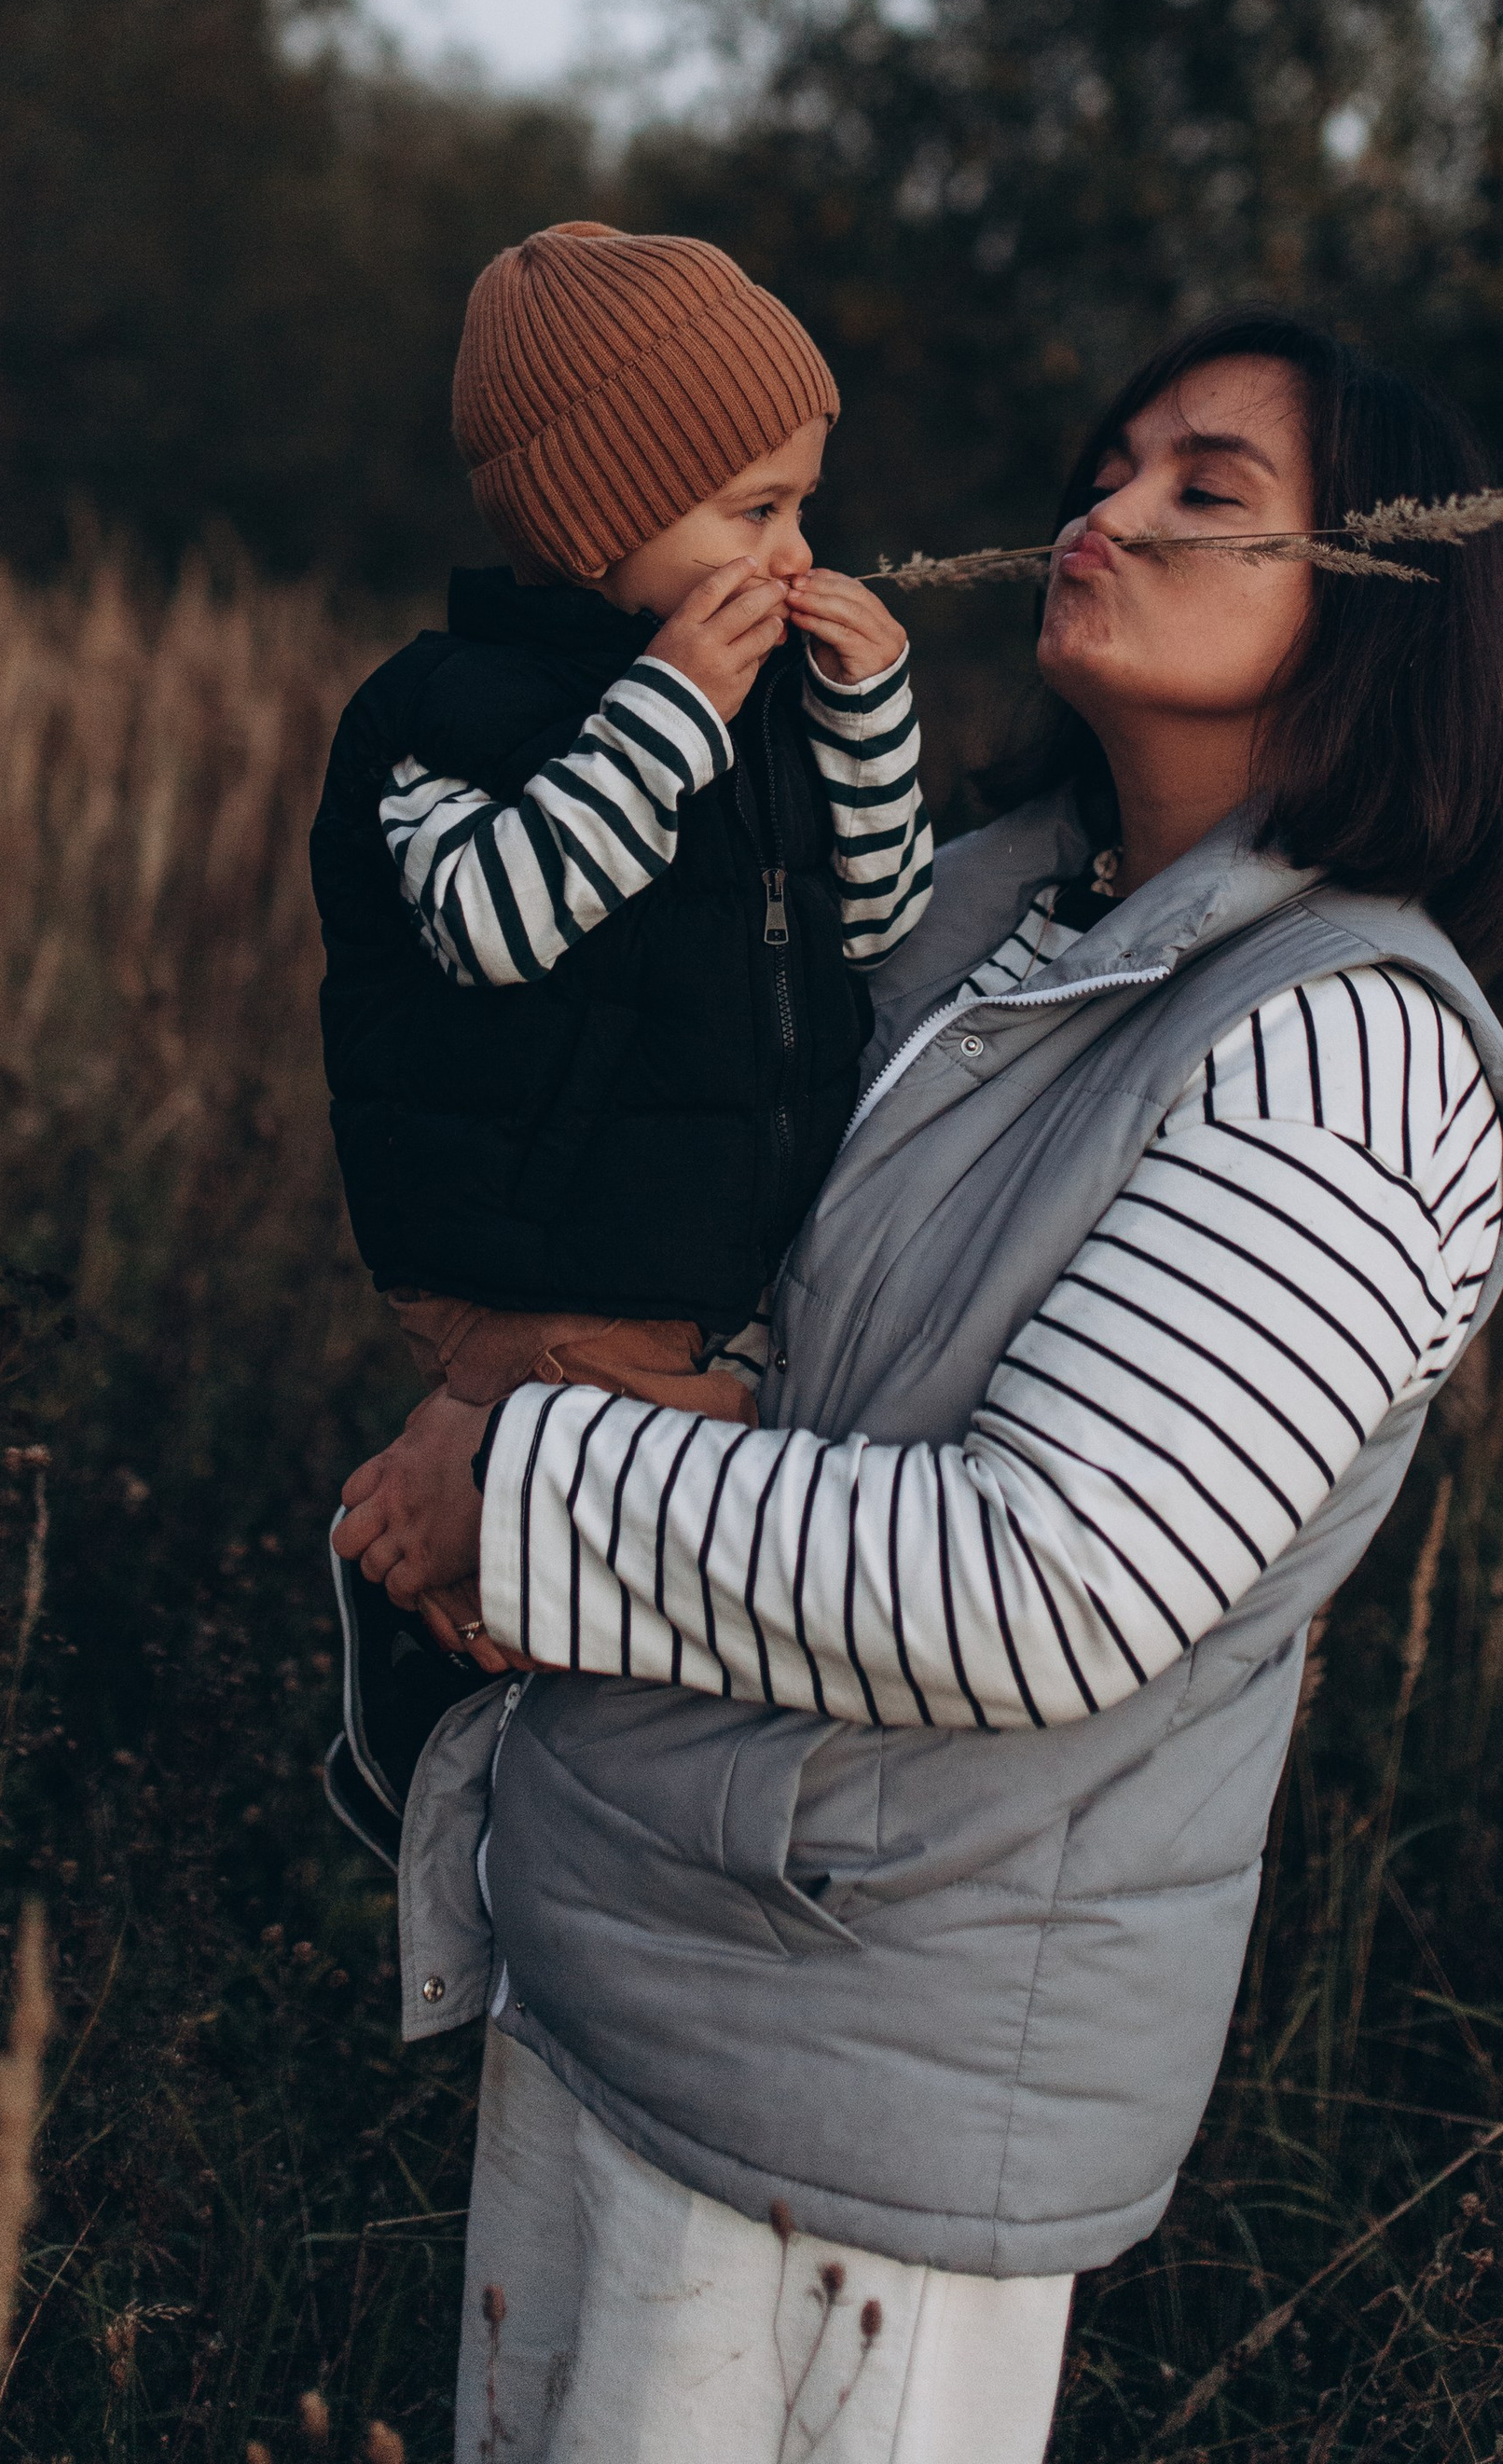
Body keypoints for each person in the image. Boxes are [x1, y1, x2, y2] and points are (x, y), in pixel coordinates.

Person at [339, 309, 1503, 2464]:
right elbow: (731, 1271)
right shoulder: (984, 901)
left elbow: (1044, 1580)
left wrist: (520, 1479)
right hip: (620, 1943)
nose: (1105, 508)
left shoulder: (1341, 1053)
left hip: (861, 2083)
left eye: (1208, 492)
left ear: (1383, 611)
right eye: (1110, 459)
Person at [314, 221, 931, 1824]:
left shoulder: (765, 697)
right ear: (599, 519)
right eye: (756, 510)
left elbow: (880, 925)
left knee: (650, 1533)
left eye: (804, 504)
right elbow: (498, 922)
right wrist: (659, 715)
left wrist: (864, 723)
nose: (797, 551)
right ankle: (415, 1684)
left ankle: (512, 1730)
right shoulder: (438, 712)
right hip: (531, 1228)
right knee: (667, 1499)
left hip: (683, 1235)